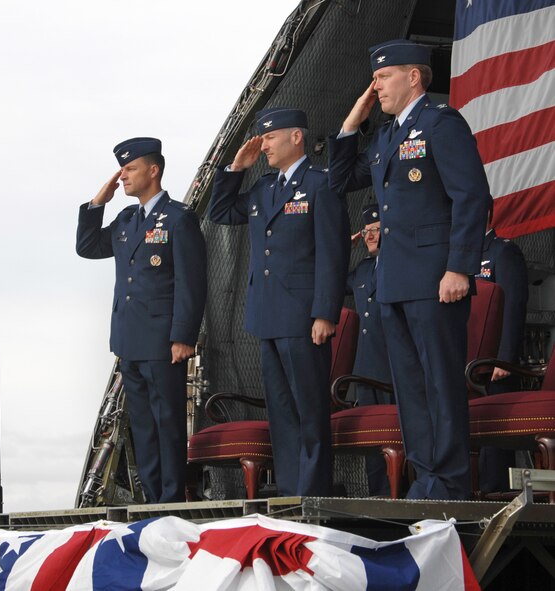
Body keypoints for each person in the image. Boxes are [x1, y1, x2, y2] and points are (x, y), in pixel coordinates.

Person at [328, 39, 491, 500]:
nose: (374, 86)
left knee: (439, 383)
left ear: (414, 76)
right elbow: (339, 181)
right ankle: (427, 479)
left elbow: (471, 196)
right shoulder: (384, 136)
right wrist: (351, 123)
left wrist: (459, 267)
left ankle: (450, 484)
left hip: (436, 280)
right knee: (411, 392)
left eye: (383, 77)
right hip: (394, 282)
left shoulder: (440, 124)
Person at [208, 108, 349, 497]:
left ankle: (313, 490)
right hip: (267, 314)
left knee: (309, 409)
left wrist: (325, 312)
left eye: (270, 137)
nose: (264, 145)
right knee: (282, 412)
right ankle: (290, 490)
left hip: (304, 314)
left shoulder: (321, 184)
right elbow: (220, 211)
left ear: (296, 137)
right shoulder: (263, 189)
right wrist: (237, 168)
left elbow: (332, 254)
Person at [76, 138, 207, 503]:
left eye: (130, 169)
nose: (123, 176)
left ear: (154, 170)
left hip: (164, 340)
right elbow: (87, 247)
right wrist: (97, 203)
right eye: (121, 170)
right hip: (128, 339)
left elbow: (191, 282)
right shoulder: (125, 220)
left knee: (167, 423)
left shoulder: (179, 218)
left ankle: (171, 500)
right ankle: (151, 499)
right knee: (143, 427)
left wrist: (184, 336)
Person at [476, 206, 529, 493]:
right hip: (466, 364)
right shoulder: (458, 257)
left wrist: (505, 359)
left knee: (495, 436)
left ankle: (494, 496)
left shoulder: (502, 251)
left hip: (495, 364)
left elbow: (513, 306)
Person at [347, 203, 394, 496]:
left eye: (376, 230)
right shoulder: (362, 268)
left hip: (391, 364)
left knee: (393, 435)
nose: (370, 236)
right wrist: (343, 247)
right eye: (366, 231)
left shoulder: (400, 263)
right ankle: (377, 495)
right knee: (370, 438)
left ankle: (397, 494)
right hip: (364, 367)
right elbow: (331, 281)